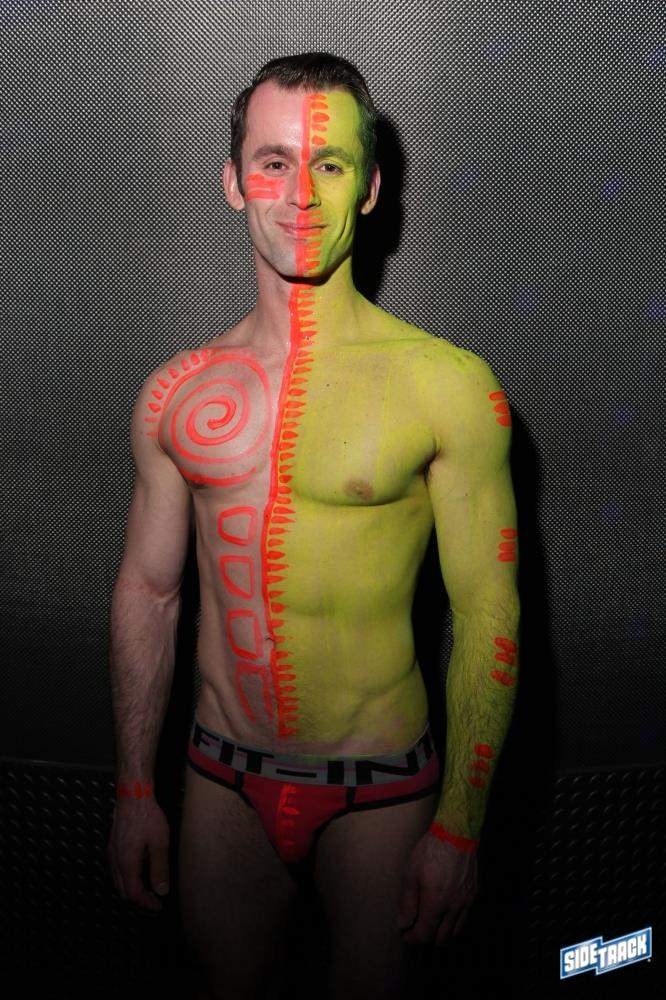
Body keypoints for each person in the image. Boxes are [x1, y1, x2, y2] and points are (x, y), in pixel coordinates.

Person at [106, 51, 520, 1000]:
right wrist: (133, 789)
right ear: (232, 182)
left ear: (369, 189)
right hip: (217, 781)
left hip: (384, 791)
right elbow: (149, 592)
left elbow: (488, 612)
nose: (299, 194)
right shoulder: (175, 393)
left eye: (329, 164)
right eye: (273, 162)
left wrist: (461, 829)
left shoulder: (449, 386)